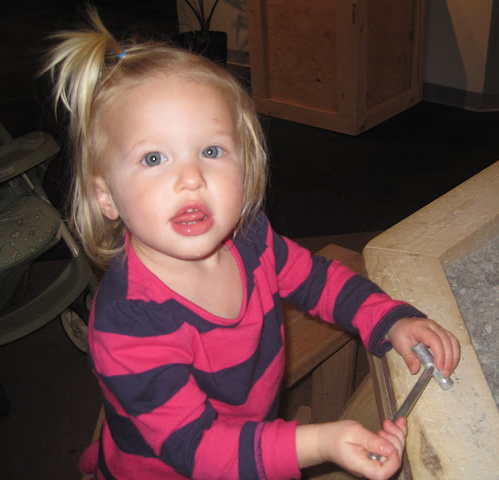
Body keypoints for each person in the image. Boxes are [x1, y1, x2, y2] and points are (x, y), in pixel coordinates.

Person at [43, 8, 460, 480]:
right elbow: (198, 450)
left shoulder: (249, 237)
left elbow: (318, 281)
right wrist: (319, 442)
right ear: (105, 196)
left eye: (211, 151)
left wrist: (390, 319)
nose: (191, 178)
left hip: (249, 433)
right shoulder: (129, 324)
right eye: (153, 158)